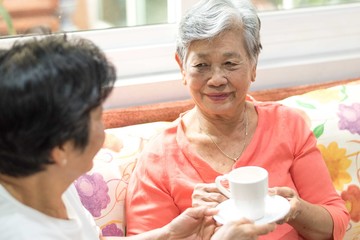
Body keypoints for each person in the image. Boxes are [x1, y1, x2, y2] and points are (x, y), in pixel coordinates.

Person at [0, 35, 276, 240]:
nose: (104, 130)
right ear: (59, 146)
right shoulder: (19, 231)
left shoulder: (45, 177)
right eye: (97, 116)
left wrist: (168, 233)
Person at [125, 0, 350, 239]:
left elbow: (336, 222)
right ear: (182, 68)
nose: (216, 79)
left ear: (253, 64)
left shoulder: (287, 125)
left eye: (230, 63)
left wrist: (295, 210)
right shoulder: (158, 157)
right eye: (201, 65)